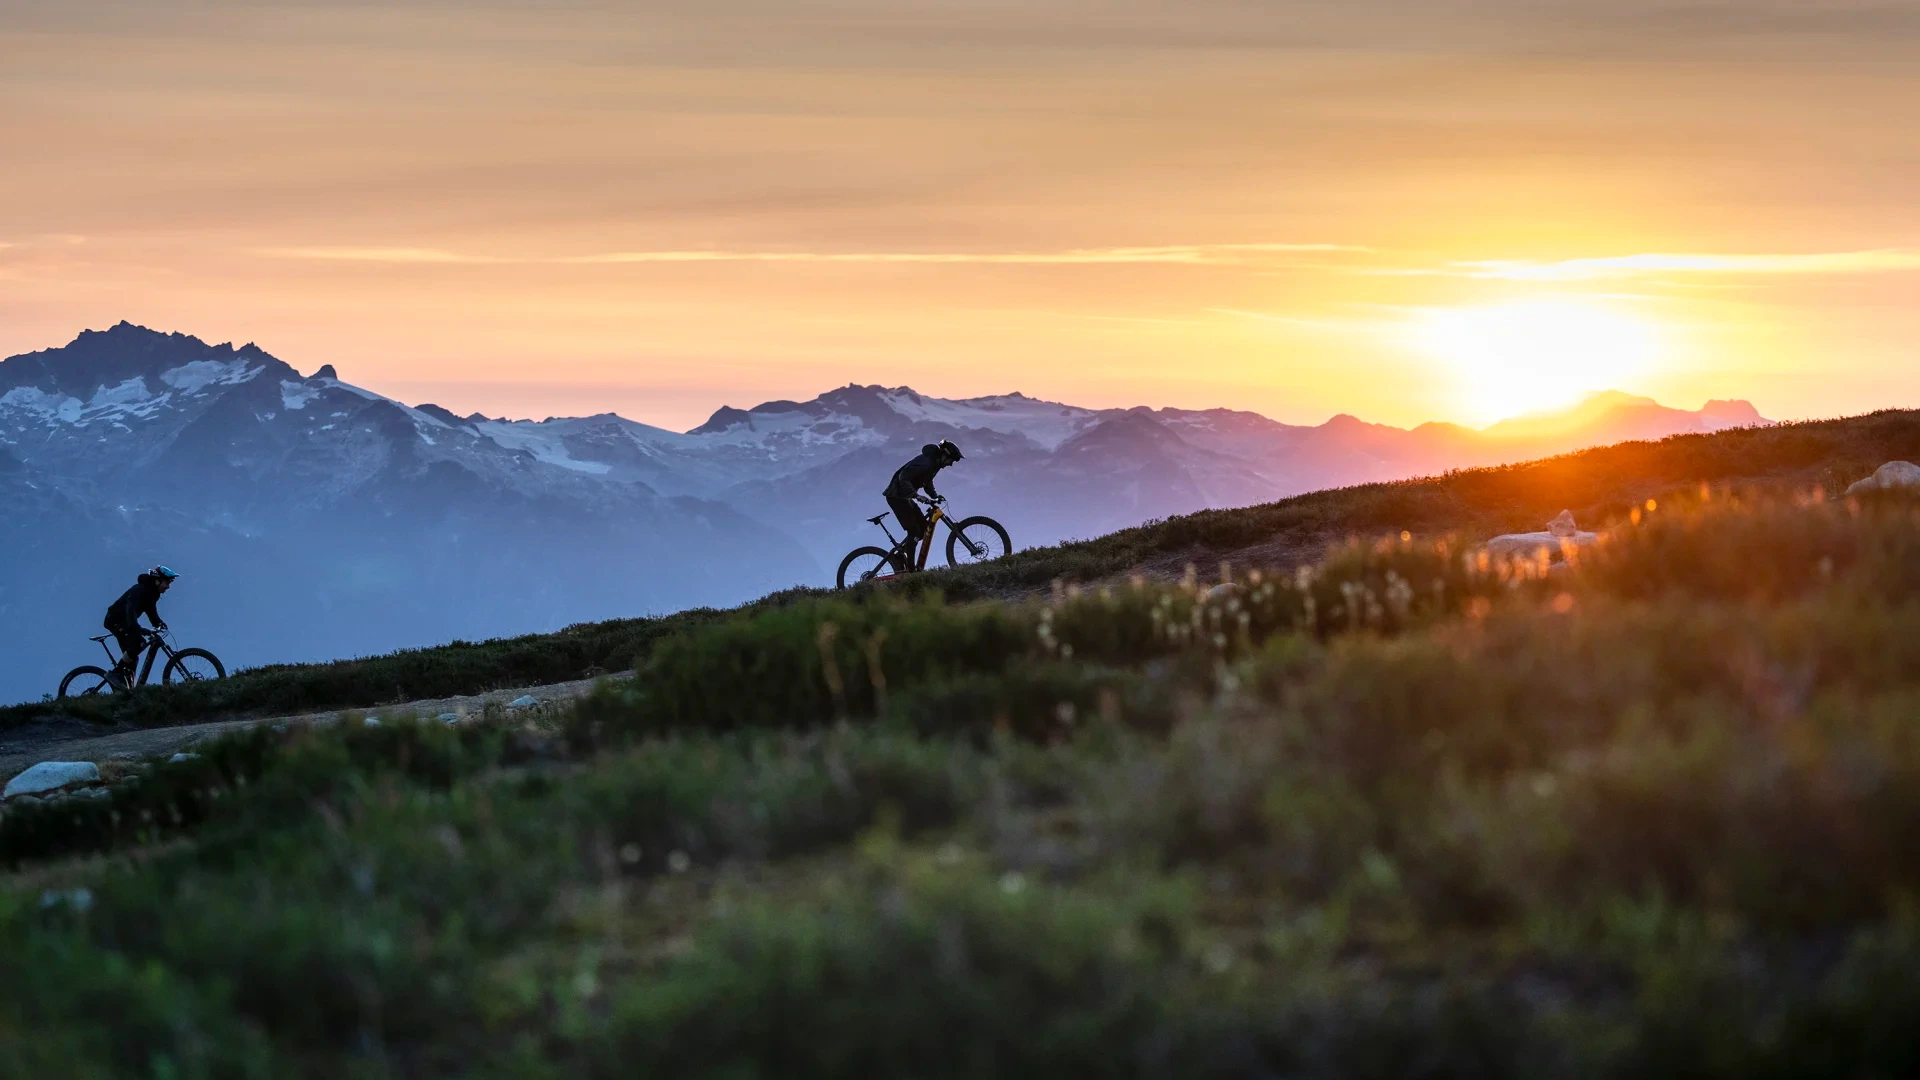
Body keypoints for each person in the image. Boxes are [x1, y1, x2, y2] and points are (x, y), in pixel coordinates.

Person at [883, 440, 963, 563]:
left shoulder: (933, 465)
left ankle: (901, 554)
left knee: (924, 529)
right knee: (914, 531)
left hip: (905, 497)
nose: (950, 464)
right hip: (896, 497)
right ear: (944, 455)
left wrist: (935, 496)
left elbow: (927, 482)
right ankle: (911, 571)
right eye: (951, 460)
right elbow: (903, 477)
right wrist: (916, 495)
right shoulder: (926, 463)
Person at [104, 566, 178, 681]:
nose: (168, 586)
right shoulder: (138, 590)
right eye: (167, 582)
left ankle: (126, 689)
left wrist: (158, 623)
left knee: (133, 657)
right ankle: (115, 674)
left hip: (125, 622)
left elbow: (151, 611)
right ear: (157, 581)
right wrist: (138, 628)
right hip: (115, 621)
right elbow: (130, 612)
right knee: (139, 643)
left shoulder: (153, 594)